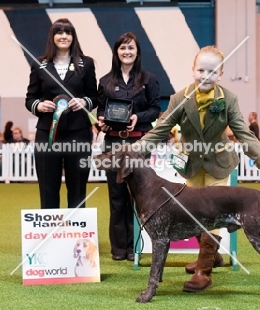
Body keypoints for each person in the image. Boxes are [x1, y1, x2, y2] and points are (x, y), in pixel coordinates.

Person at [134, 45, 260, 293]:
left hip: (219, 165)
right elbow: (159, 132)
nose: (205, 76)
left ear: (220, 74)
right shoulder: (179, 99)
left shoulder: (228, 99)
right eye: (200, 70)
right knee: (193, 213)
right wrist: (134, 150)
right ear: (193, 70)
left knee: (213, 211)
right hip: (190, 165)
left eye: (211, 71)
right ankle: (213, 256)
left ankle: (203, 272)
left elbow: (245, 136)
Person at [97, 32, 161, 261]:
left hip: (138, 143)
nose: (127, 52)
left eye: (131, 48)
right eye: (122, 48)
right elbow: (101, 110)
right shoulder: (105, 81)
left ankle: (137, 246)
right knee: (116, 195)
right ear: (116, 52)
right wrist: (101, 121)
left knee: (139, 196)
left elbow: (155, 109)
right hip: (113, 143)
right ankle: (118, 249)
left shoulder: (149, 80)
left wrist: (138, 117)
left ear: (137, 51)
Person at [25, 18, 97, 209]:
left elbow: (94, 97)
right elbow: (30, 98)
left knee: (78, 187)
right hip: (47, 134)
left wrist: (84, 102)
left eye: (68, 32)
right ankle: (51, 235)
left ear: (73, 37)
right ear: (52, 36)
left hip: (79, 133)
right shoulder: (39, 64)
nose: (64, 36)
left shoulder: (87, 64)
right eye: (59, 32)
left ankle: (77, 235)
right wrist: (39, 106)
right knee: (48, 187)